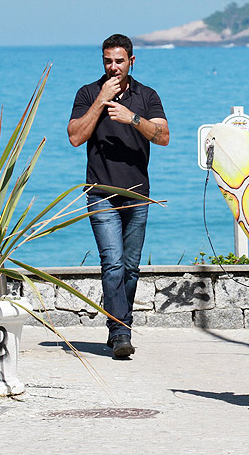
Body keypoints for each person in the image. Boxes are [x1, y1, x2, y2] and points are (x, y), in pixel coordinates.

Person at [67, 34, 169, 358]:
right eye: (108, 61)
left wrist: (132, 118)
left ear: (132, 61)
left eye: (119, 61)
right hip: (101, 193)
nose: (113, 67)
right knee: (112, 264)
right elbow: (74, 136)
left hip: (138, 195)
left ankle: (117, 327)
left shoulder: (146, 95)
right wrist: (101, 100)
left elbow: (164, 136)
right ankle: (121, 331)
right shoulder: (87, 93)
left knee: (131, 267)